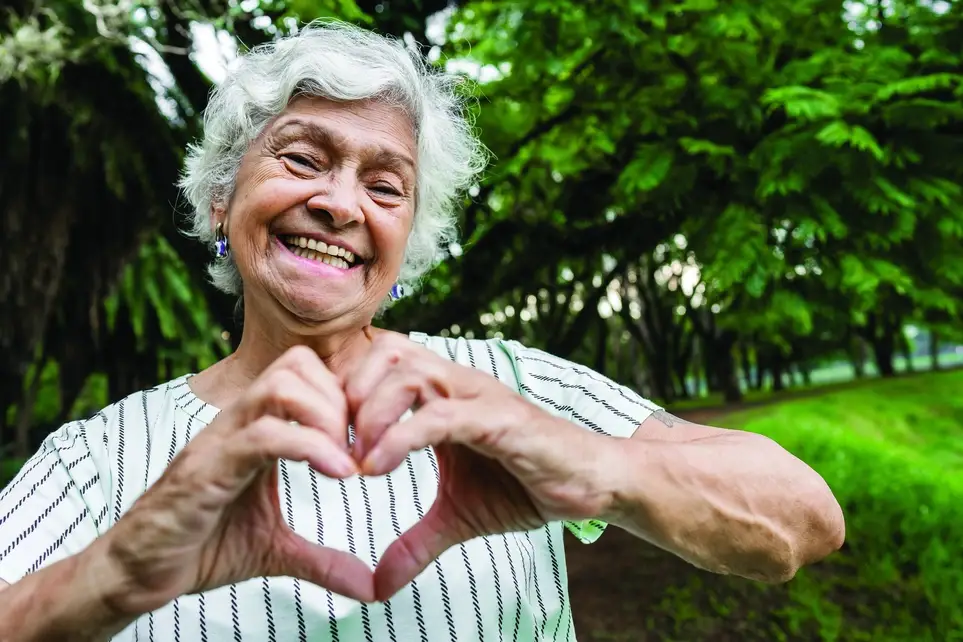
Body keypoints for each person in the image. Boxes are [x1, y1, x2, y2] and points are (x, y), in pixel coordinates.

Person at [0, 20, 845, 642]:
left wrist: (600, 467)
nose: (339, 202)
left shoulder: (507, 386)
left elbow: (801, 520)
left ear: (407, 244)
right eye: (301, 157)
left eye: (386, 183)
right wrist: (109, 576)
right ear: (221, 196)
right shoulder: (101, 457)